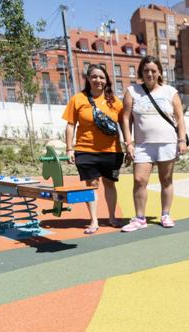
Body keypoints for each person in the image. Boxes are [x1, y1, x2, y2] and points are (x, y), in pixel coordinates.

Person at [121, 55, 188, 232]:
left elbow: (180, 118)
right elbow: (126, 119)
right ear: (141, 72)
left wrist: (182, 140)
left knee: (166, 180)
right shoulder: (132, 91)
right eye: (146, 70)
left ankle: (165, 214)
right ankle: (140, 218)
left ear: (159, 72)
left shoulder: (170, 91)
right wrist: (128, 143)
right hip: (142, 145)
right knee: (139, 179)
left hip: (167, 143)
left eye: (153, 70)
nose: (149, 74)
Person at [63, 63, 124, 234]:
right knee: (91, 185)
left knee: (110, 184)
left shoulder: (115, 102)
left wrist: (129, 144)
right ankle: (94, 220)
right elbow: (70, 125)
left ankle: (112, 217)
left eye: (102, 77)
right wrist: (69, 148)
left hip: (112, 151)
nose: (98, 80)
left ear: (106, 80)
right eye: (94, 76)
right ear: (88, 79)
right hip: (85, 149)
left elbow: (125, 123)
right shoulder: (78, 99)